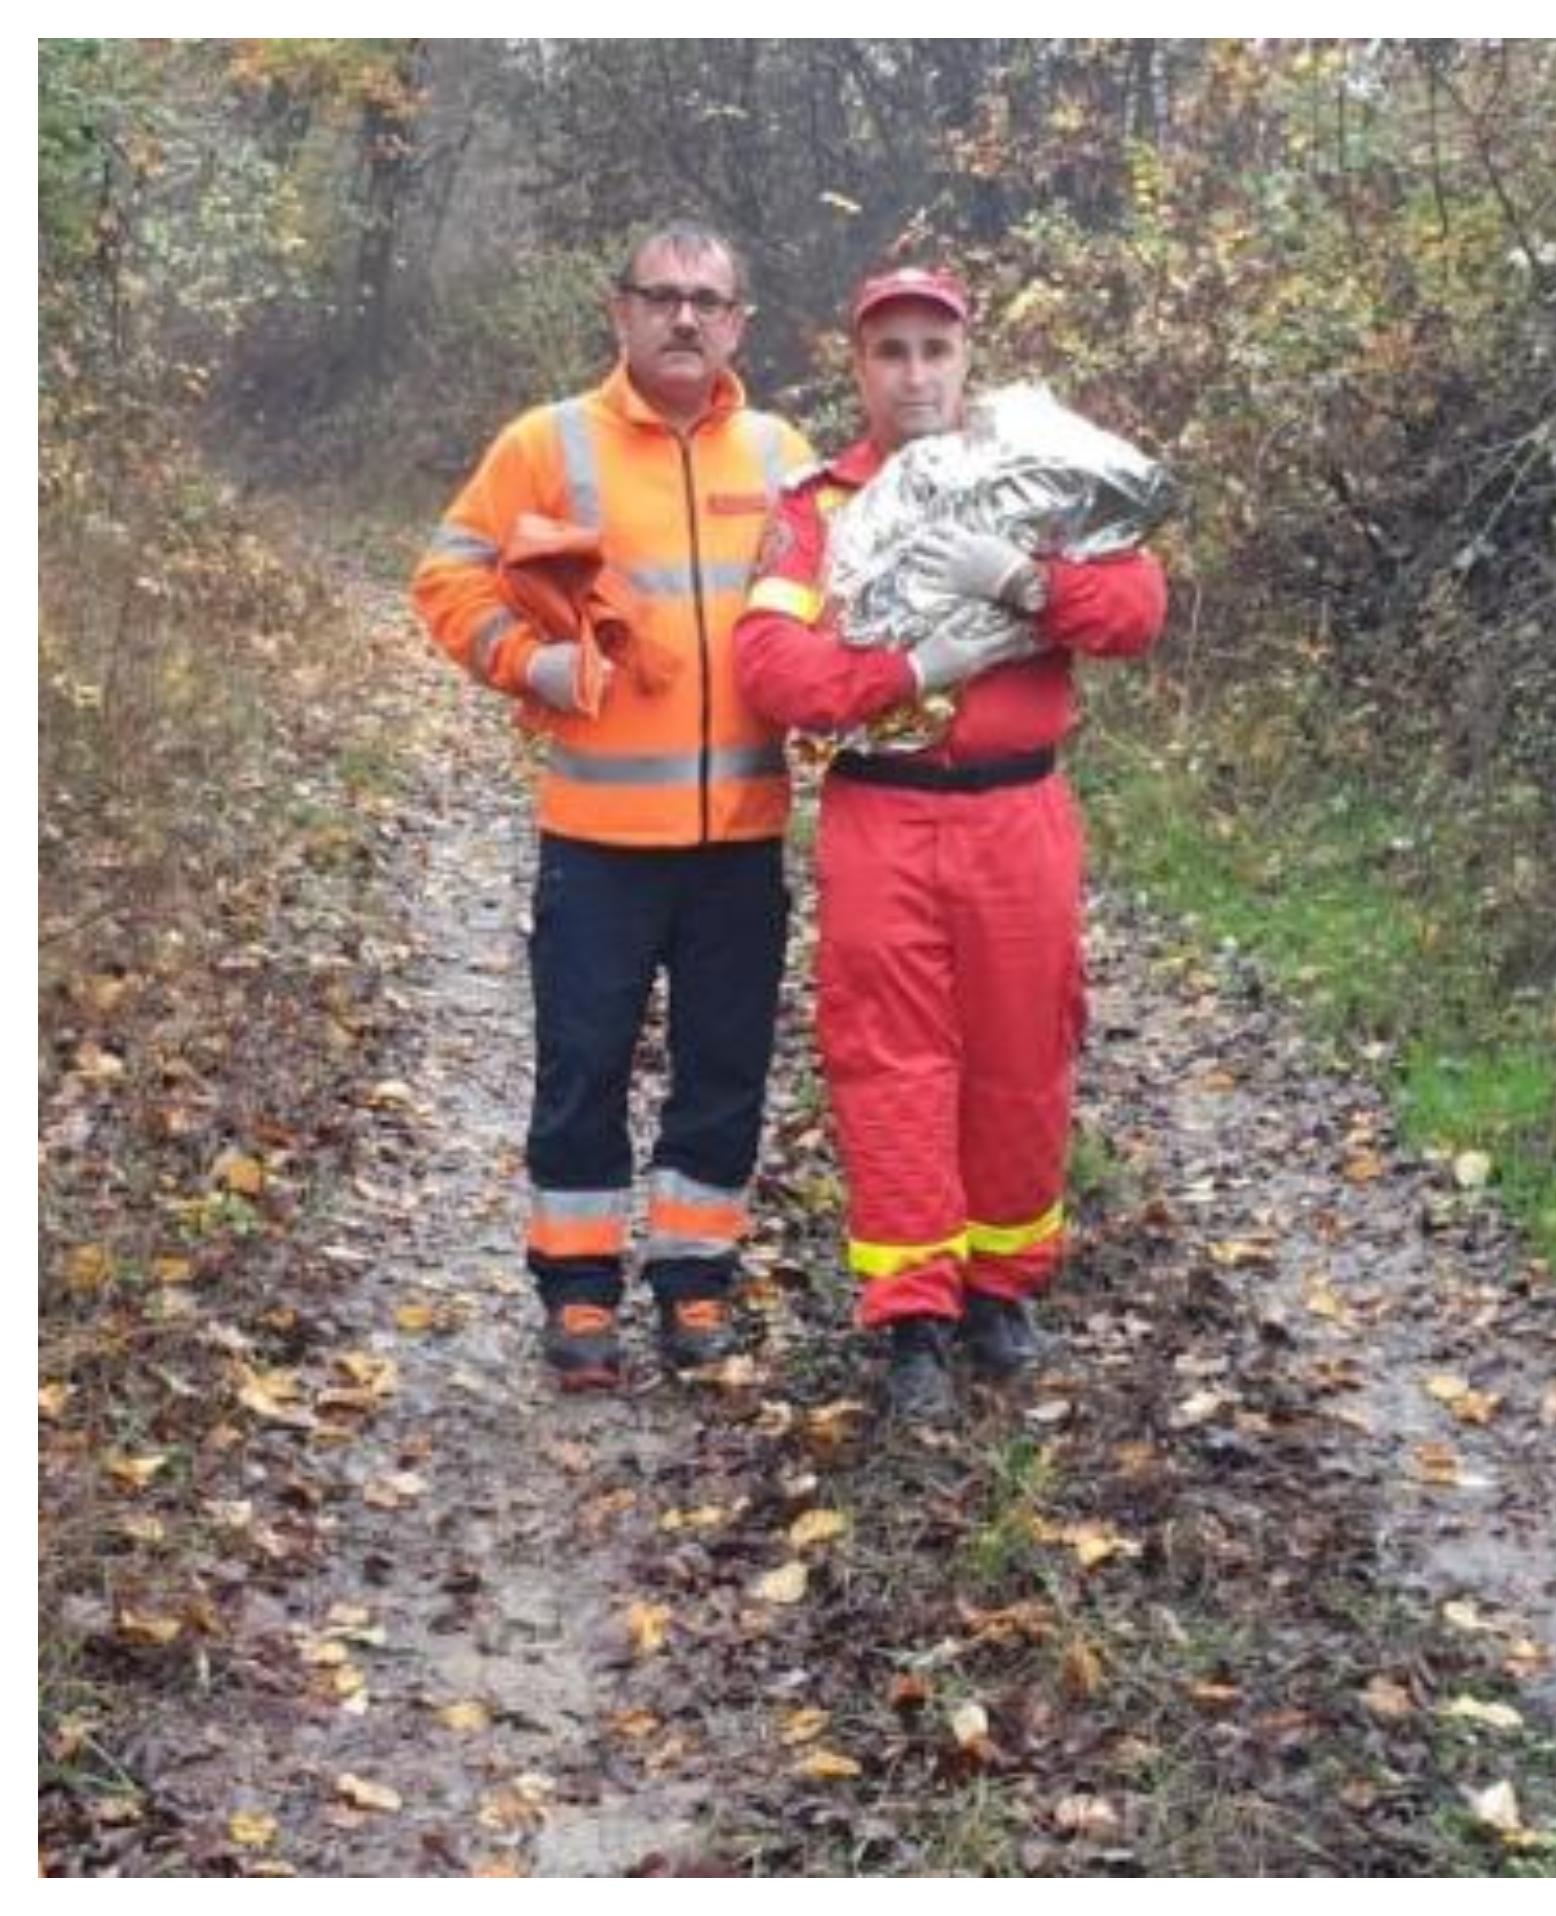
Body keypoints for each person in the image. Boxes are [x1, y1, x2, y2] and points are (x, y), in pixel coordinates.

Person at [732, 267, 1169, 1423]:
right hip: (883, 813)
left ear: (966, 360)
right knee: (892, 1059)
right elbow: (775, 672)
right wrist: (912, 670)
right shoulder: (816, 508)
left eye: (935, 348)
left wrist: (1027, 582)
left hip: (1019, 815)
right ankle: (911, 1314)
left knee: (1024, 1048)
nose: (915, 373)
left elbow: (1135, 611)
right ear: (859, 367)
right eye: (892, 352)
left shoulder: (1029, 474)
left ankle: (1002, 1289)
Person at [410, 221, 815, 1391]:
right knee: (582, 1064)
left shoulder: (785, 452)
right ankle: (578, 1293)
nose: (685, 317)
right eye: (662, 296)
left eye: (708, 299)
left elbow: (833, 601)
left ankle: (696, 1280)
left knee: (725, 1063)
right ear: (620, 312)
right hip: (595, 837)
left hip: (740, 836)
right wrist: (523, 661)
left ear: (740, 322)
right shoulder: (551, 442)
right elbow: (446, 571)